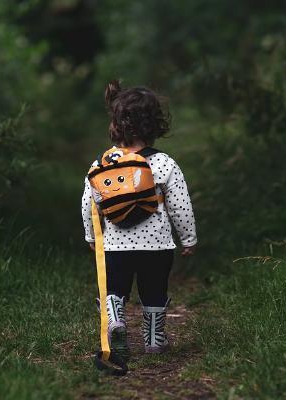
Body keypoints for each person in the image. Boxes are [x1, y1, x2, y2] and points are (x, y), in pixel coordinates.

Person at [81, 80, 197, 359]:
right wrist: (189, 238)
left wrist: (90, 236)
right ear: (156, 125)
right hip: (156, 246)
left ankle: (116, 322)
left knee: (114, 289)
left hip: (115, 245)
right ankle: (155, 340)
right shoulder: (164, 163)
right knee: (154, 291)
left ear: (116, 124)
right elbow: (180, 205)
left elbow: (88, 204)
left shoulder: (101, 164)